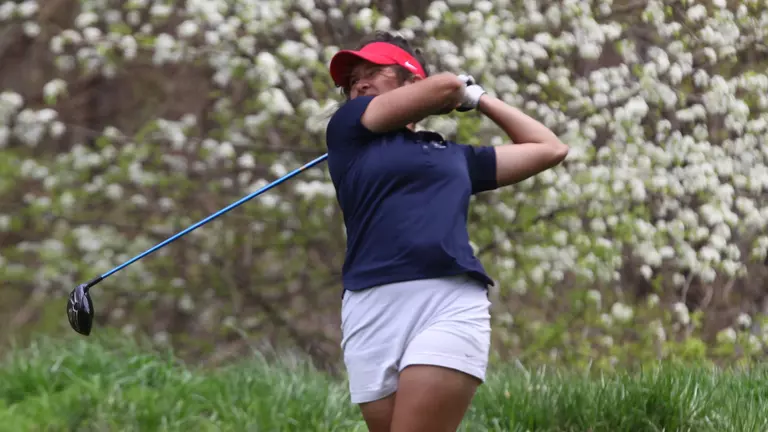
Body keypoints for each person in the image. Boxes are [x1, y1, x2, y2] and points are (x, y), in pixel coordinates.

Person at [324, 31, 569, 432]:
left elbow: (549, 148)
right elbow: (446, 85)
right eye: (353, 80)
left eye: (375, 72)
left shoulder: (453, 158)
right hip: (369, 308)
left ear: (411, 82)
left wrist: (480, 100)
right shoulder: (346, 129)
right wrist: (453, 90)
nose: (360, 83)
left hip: (447, 302)